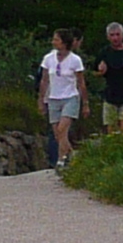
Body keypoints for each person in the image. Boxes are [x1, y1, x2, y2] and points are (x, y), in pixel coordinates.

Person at [36, 28, 87, 168]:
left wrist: (85, 103)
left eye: (56, 39)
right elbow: (44, 80)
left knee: (62, 129)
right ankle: (73, 156)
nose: (53, 42)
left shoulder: (75, 60)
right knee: (57, 133)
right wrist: (41, 99)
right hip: (53, 98)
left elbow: (81, 82)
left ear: (64, 43)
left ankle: (61, 160)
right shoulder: (48, 59)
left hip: (70, 96)